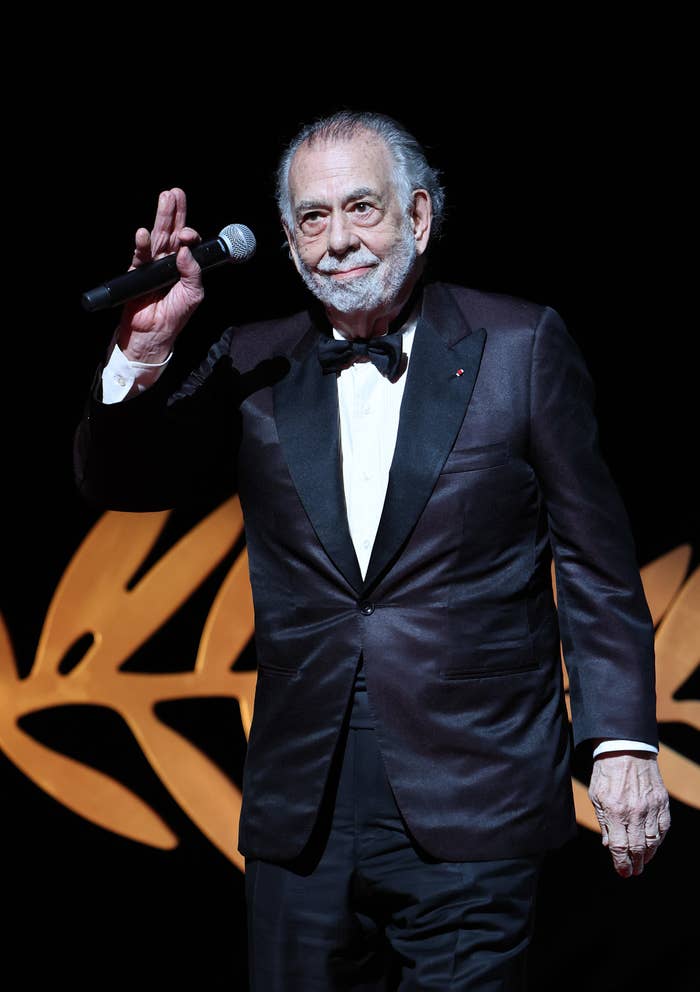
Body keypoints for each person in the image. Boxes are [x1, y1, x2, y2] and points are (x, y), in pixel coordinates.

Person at [74, 110, 671, 991]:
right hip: (302, 812)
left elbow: (595, 560)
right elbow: (119, 481)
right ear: (285, 240)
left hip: (477, 795)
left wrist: (622, 740)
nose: (339, 240)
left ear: (419, 217)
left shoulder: (519, 346)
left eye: (363, 208)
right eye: (313, 219)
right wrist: (145, 353)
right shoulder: (255, 360)